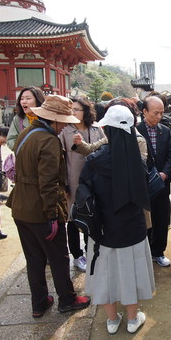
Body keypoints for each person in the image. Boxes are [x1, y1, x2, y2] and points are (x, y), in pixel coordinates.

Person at [6, 94, 91, 318]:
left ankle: (39, 302)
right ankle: (68, 299)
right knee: (58, 256)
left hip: (21, 206)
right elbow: (49, 183)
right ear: (53, 119)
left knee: (34, 259)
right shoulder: (50, 140)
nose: (64, 125)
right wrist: (53, 215)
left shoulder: (27, 132)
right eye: (63, 121)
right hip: (41, 210)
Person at [81, 105, 155, 335]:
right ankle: (133, 319)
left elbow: (84, 193)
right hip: (132, 228)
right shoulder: (139, 160)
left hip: (103, 230)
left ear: (107, 129)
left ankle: (112, 320)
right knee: (131, 271)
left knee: (104, 272)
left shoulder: (94, 160)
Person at [59, 97, 105, 272]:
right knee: (73, 217)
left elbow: (103, 151)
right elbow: (61, 159)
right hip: (74, 179)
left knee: (92, 214)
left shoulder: (96, 128)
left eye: (77, 109)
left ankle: (90, 250)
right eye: (71, 109)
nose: (74, 112)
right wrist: (64, 184)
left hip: (95, 180)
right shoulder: (65, 130)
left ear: (86, 111)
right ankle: (77, 255)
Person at [136, 96, 171, 267]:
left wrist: (165, 173)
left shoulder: (165, 131)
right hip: (143, 185)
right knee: (145, 220)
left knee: (161, 219)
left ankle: (158, 252)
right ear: (144, 112)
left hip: (161, 184)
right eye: (155, 113)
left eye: (161, 113)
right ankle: (143, 253)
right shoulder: (135, 131)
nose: (159, 116)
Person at [6, 86, 45, 151]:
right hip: (25, 158)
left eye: (28, 98)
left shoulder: (47, 118)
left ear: (38, 100)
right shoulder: (18, 119)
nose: (24, 102)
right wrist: (23, 150)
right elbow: (11, 140)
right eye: (22, 99)